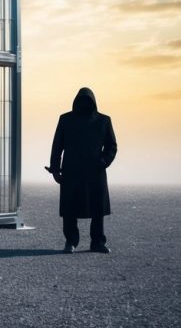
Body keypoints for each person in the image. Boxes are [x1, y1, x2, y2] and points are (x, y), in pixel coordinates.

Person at [45, 87, 117, 254]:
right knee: (70, 209)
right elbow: (58, 146)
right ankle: (71, 241)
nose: (85, 104)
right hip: (72, 172)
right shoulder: (66, 120)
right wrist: (55, 169)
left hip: (95, 171)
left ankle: (97, 242)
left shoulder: (104, 121)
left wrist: (103, 161)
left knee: (97, 209)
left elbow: (111, 146)